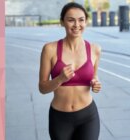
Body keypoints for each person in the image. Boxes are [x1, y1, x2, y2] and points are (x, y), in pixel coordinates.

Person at [38, 2, 102, 140]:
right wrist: (60, 78)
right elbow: (42, 88)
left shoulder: (95, 49)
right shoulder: (50, 49)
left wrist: (95, 84)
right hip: (60, 118)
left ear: (86, 22)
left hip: (88, 116)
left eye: (81, 20)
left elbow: (94, 77)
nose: (76, 25)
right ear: (62, 22)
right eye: (71, 20)